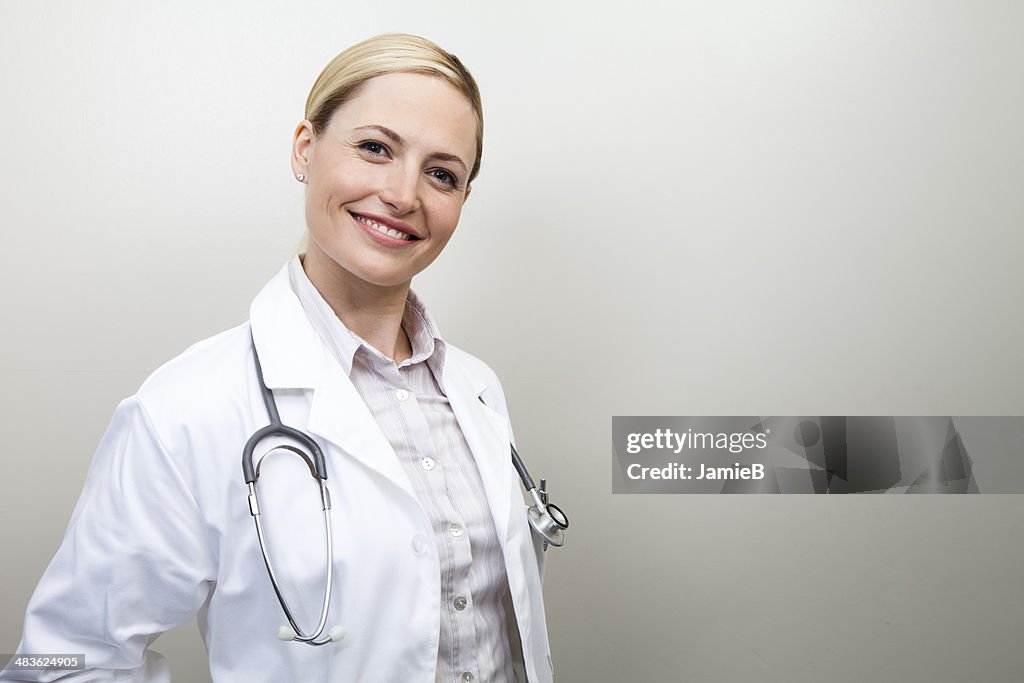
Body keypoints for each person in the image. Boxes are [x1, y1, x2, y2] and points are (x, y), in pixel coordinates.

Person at [3, 34, 553, 683]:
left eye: (442, 173)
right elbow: (57, 658)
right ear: (305, 148)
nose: (405, 194)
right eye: (375, 148)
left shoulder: (476, 388)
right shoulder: (185, 409)